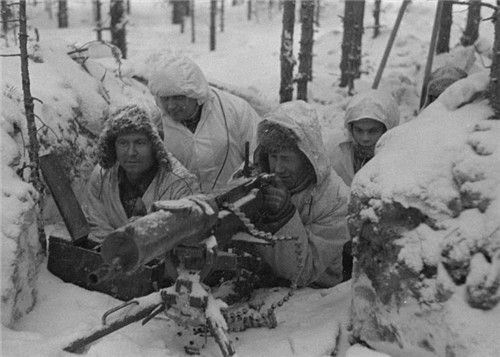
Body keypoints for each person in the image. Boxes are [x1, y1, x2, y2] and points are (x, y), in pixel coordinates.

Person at [235, 100, 350, 288]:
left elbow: (305, 271)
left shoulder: (335, 198)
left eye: (287, 159)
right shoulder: (252, 174)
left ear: (306, 158)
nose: (278, 168)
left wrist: (284, 216)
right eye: (273, 157)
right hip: (256, 284)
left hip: (314, 294)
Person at [83, 105, 199, 242]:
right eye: (123, 143)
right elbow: (96, 227)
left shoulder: (180, 184)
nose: (131, 152)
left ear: (155, 145)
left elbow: (185, 240)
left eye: (140, 142)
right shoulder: (102, 175)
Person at [148, 56, 262, 193]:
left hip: (235, 200)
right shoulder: (155, 122)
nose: (171, 106)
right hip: (183, 208)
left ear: (196, 94)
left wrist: (242, 179)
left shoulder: (235, 110)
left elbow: (260, 151)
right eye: (165, 99)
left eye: (178, 97)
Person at [326, 89, 400, 187]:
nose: (365, 138)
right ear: (351, 129)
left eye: (373, 131)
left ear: (387, 130)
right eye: (359, 130)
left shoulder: (399, 159)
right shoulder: (335, 151)